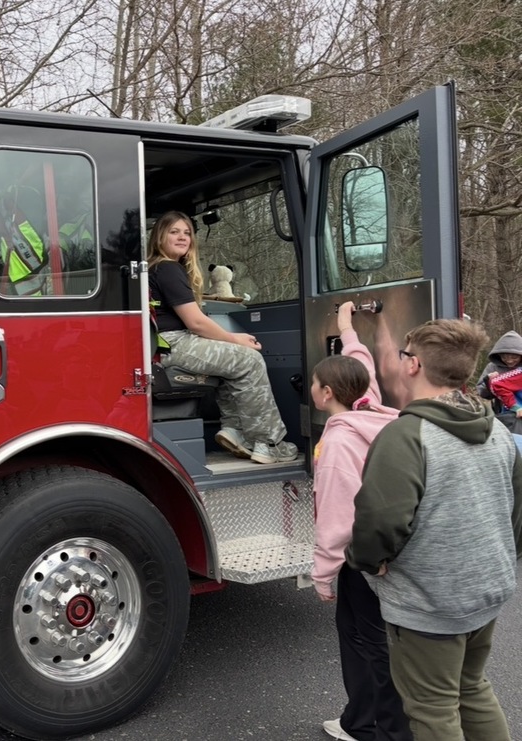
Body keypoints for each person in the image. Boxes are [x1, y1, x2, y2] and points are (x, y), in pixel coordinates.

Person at [346, 319, 522, 741]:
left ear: (414, 365)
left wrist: (368, 562)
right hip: (486, 590)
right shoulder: (497, 430)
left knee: (432, 709)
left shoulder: (406, 436)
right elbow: (516, 512)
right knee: (472, 689)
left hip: (431, 602)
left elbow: (380, 522)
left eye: (405, 354)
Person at [311, 302, 409, 741]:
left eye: (315, 383)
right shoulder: (373, 410)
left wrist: (322, 575)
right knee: (372, 638)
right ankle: (363, 720)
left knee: (364, 642)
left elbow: (337, 516)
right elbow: (362, 366)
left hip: (356, 556)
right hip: (385, 548)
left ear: (326, 393)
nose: (311, 387)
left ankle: (377, 728)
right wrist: (348, 329)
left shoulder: (336, 445)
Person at [147, 210, 297, 464]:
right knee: (248, 360)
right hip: (174, 344)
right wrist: (235, 338)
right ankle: (268, 442)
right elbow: (195, 322)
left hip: (164, 345)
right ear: (160, 236)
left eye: (187, 233)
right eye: (174, 232)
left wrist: (227, 340)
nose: (183, 237)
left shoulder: (154, 269)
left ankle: (235, 431)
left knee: (232, 363)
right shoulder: (168, 269)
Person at [475, 330, 522, 411]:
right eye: (504, 357)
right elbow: (482, 392)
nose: (509, 361)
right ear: (498, 355)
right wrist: (488, 382)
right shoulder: (493, 367)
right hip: (503, 413)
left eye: (514, 357)